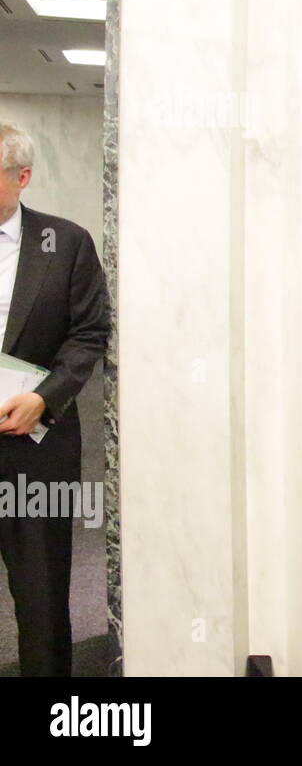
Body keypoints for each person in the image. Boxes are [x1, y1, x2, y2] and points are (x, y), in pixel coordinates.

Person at [0, 122, 110, 676]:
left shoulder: (65, 243)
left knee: (40, 593)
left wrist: (44, 398)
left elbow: (90, 333)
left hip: (34, 447)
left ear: (21, 177)